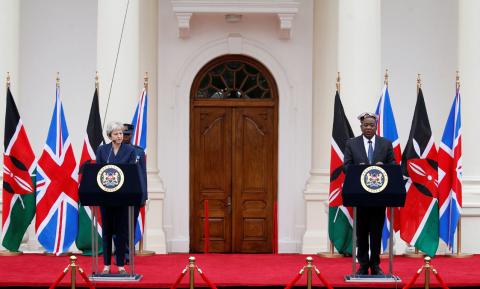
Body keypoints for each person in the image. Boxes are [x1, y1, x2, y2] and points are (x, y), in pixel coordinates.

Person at [343, 112, 395, 276]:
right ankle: (363, 266)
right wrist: (360, 169)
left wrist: (383, 167)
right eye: (366, 125)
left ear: (376, 127)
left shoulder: (385, 144)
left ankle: (376, 265)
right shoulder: (352, 144)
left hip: (379, 197)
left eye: (372, 125)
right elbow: (346, 166)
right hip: (360, 196)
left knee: (376, 232)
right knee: (362, 233)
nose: (368, 127)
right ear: (361, 126)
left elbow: (393, 164)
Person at [96, 121, 137, 275]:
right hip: (105, 197)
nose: (120, 136)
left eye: (121, 133)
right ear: (110, 136)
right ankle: (106, 265)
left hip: (122, 198)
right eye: (116, 134)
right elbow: (98, 173)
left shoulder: (130, 151)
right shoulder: (102, 151)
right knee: (106, 231)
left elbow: (131, 172)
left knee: (121, 232)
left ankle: (120, 265)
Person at [113, 123, 148, 265]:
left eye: (127, 134)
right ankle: (119, 253)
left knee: (130, 227)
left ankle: (127, 254)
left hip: (133, 195)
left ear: (131, 135)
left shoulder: (138, 152)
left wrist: (143, 196)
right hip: (117, 195)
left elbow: (142, 175)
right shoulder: (113, 150)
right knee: (116, 226)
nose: (125, 137)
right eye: (123, 134)